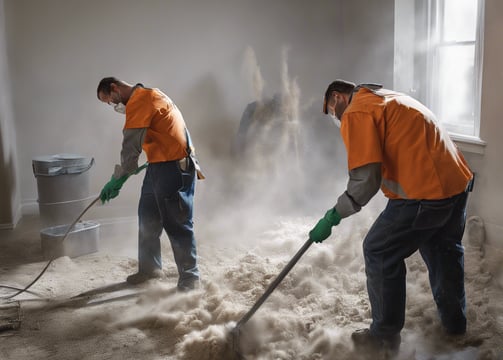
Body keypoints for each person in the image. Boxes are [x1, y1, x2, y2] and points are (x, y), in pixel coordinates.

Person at [309, 79, 473, 352]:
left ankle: (383, 337)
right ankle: (455, 326)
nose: (335, 119)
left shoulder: (357, 111)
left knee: (379, 249)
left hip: (425, 194)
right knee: (442, 249)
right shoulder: (384, 98)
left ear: (336, 97)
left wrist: (333, 216)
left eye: (330, 111)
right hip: (456, 184)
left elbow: (366, 179)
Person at [97, 77, 204, 291]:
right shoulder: (150, 94)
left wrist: (117, 180)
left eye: (110, 101)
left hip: (173, 167)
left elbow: (130, 149)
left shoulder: (140, 102)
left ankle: (190, 281)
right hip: (159, 165)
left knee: (177, 223)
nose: (112, 106)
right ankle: (150, 269)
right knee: (147, 216)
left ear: (115, 88)